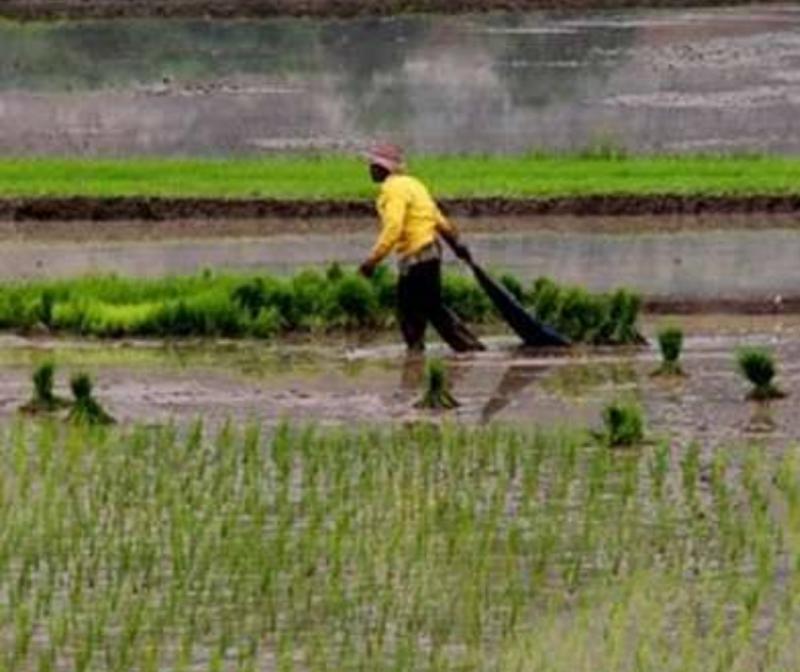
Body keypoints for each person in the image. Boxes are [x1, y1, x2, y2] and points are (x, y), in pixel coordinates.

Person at [358, 142, 485, 353]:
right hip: (431, 253)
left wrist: (372, 261)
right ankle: (422, 352)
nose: (369, 169)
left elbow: (393, 228)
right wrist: (457, 245)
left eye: (372, 165)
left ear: (383, 168)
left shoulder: (392, 189)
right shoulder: (414, 185)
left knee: (419, 309)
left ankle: (467, 350)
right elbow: (438, 220)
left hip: (416, 256)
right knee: (422, 307)